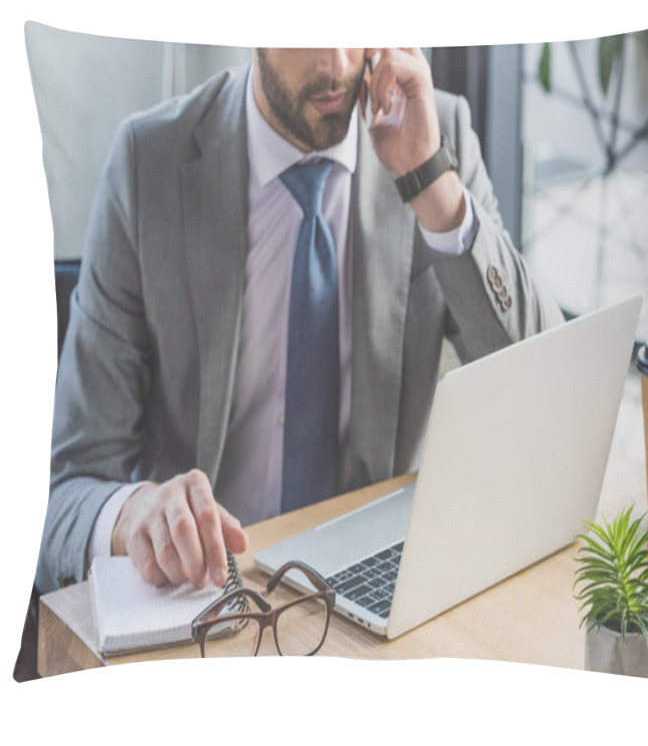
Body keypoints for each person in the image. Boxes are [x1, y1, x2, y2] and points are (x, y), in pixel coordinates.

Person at [35, 48, 563, 595]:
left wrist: (431, 183)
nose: (336, 61)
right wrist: (131, 513)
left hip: (365, 590)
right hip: (203, 594)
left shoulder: (432, 129)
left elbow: (546, 383)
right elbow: (63, 492)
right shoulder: (150, 162)